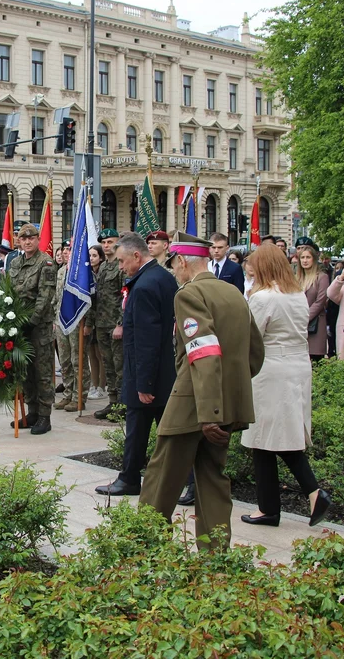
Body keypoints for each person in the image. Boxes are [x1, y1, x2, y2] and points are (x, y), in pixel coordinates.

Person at [139, 234, 264, 550]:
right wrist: (226, 398)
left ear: (182, 261)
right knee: (212, 482)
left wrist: (210, 413)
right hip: (223, 403)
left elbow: (204, 353)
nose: (174, 272)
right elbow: (255, 355)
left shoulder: (188, 295)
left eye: (173, 264)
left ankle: (142, 554)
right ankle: (215, 559)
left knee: (160, 482)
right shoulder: (234, 293)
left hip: (195, 403)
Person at [239, 245, 331, 527]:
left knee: (264, 437)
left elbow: (252, 338)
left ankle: (300, 496)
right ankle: (275, 506)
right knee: (271, 439)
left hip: (270, 369)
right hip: (297, 366)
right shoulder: (296, 295)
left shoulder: (264, 297)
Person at [96, 232, 176, 495]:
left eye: (121, 261)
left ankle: (130, 479)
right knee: (170, 434)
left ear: (137, 256)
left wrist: (144, 382)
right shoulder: (161, 277)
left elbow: (146, 340)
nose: (120, 267)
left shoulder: (143, 287)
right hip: (162, 373)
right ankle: (186, 483)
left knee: (140, 432)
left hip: (147, 376)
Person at [8, 223, 58, 434]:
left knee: (42, 371)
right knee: (25, 371)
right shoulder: (15, 262)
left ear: (38, 240)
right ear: (18, 241)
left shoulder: (45, 263)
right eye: (23, 238)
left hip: (39, 327)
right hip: (18, 323)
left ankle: (45, 416)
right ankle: (32, 412)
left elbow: (45, 297)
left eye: (31, 238)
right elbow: (8, 290)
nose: (27, 242)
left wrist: (32, 321)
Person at [53, 241, 90, 412]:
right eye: (64, 249)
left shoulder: (82, 273)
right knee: (65, 360)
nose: (66, 252)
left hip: (77, 322)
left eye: (70, 249)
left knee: (78, 360)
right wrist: (54, 319)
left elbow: (89, 300)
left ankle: (79, 396)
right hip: (61, 320)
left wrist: (88, 323)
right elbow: (56, 297)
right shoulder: (61, 271)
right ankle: (67, 394)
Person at [93, 229, 125, 419]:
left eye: (109, 242)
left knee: (119, 365)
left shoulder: (121, 267)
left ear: (118, 243)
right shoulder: (103, 267)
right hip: (102, 324)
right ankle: (112, 402)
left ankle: (123, 403)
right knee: (108, 364)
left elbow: (125, 297)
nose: (106, 246)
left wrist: (121, 323)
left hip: (115, 324)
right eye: (103, 242)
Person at [296, 244, 330, 361]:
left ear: (314, 259)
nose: (305, 260)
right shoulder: (297, 279)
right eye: (302, 257)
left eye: (308, 257)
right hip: (298, 326)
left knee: (315, 361)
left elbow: (320, 301)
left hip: (315, 324)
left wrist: (304, 317)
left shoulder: (322, 277)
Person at [86, 244, 106, 400]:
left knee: (101, 355)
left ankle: (102, 386)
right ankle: (93, 384)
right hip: (89, 318)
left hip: (102, 318)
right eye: (90, 256)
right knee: (91, 353)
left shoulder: (103, 272)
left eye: (94, 255)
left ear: (100, 257)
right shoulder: (87, 273)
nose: (91, 258)